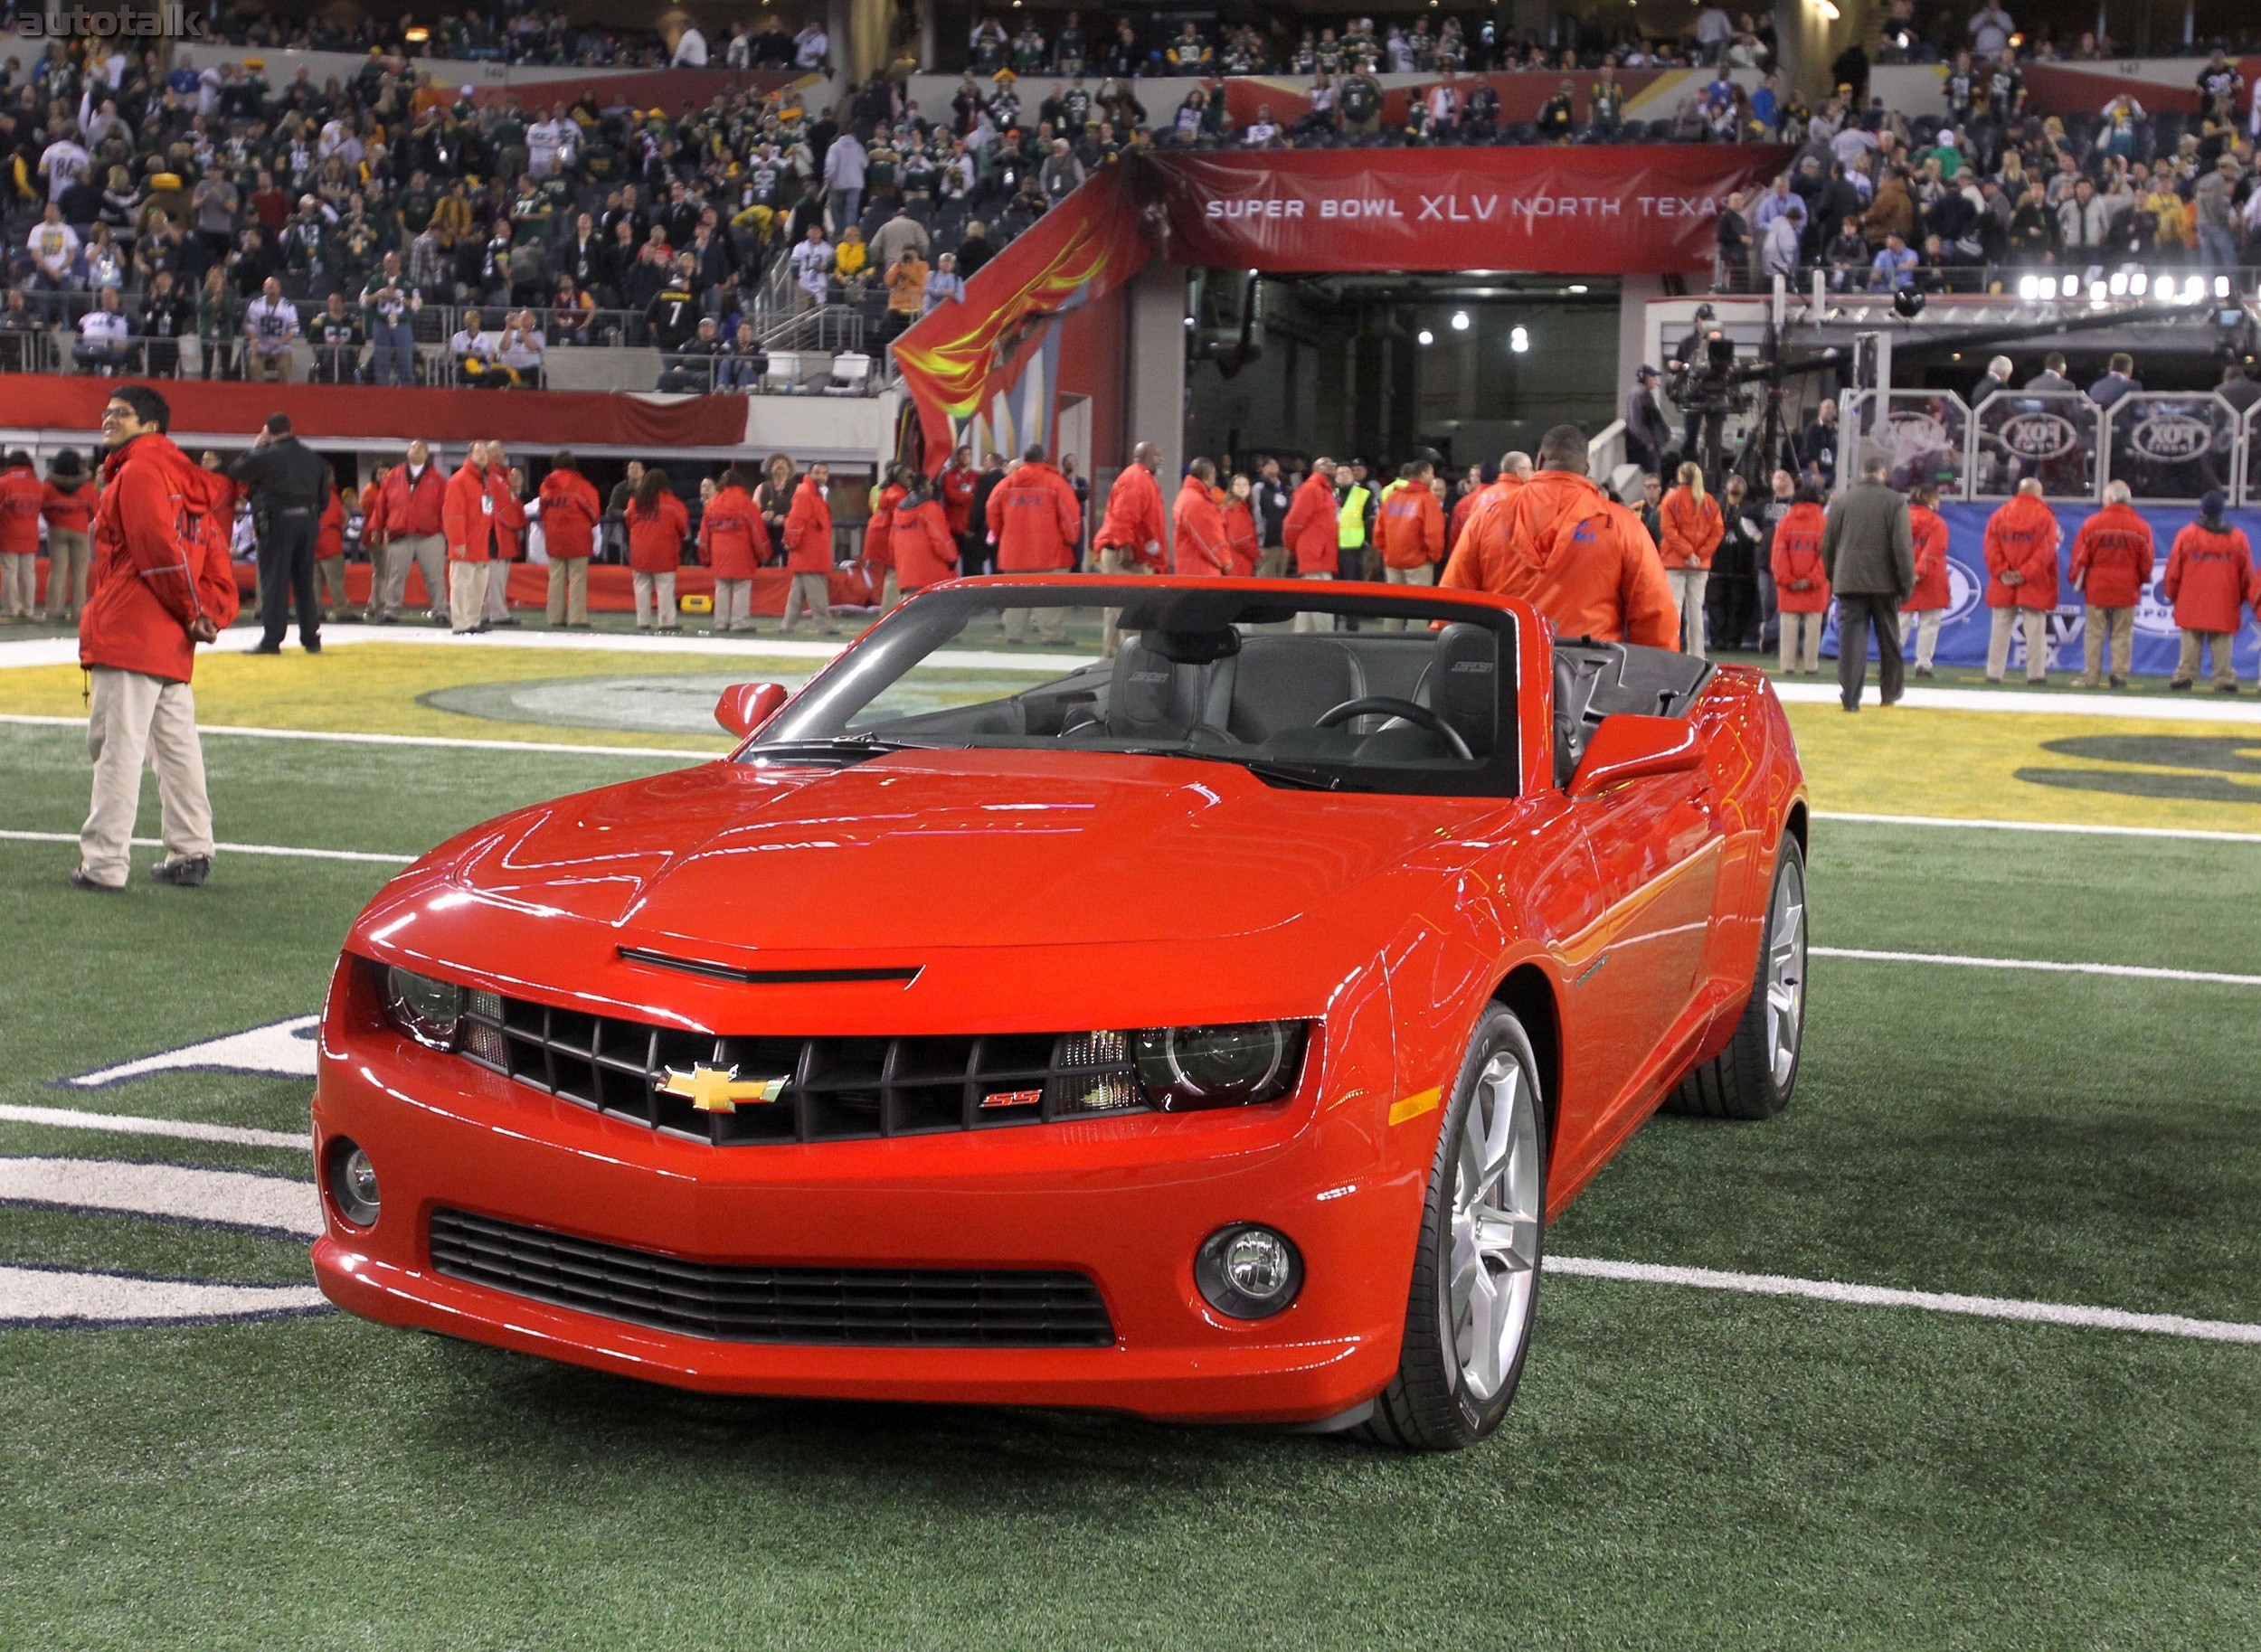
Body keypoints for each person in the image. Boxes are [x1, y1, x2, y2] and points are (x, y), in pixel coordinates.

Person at [73, 383, 237, 892]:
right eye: (106, 411)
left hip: (131, 632)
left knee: (117, 751)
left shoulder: (140, 470)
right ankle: (190, 850)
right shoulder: (189, 485)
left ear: (150, 425)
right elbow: (212, 560)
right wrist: (205, 614)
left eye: (120, 413)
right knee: (175, 751)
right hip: (171, 641)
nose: (108, 418)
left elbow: (157, 553)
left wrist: (191, 610)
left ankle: (103, 865)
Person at [1440, 423, 1678, 648]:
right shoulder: (1623, 525)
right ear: (1585, 469)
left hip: (1505, 672)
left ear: (1539, 460)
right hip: (1590, 676)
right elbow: (1655, 615)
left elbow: (1451, 606)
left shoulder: (1486, 518)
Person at [229, 412, 332, 654]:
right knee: (304, 580)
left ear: (268, 431)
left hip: (276, 523)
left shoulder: (266, 456)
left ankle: (272, 639)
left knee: (275, 581)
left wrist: (256, 448)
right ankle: (311, 637)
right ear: (290, 429)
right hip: (307, 522)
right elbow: (324, 498)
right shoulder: (312, 458)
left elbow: (236, 470)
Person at [1821, 456, 1915, 711]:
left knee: (1851, 641)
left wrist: (1833, 575)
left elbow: (1827, 544)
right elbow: (1902, 547)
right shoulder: (1895, 502)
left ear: (1861, 474)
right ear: (1883, 474)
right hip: (1885, 583)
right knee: (1889, 641)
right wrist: (1906, 582)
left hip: (1848, 581)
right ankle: (1890, 693)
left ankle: (1850, 697)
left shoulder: (1841, 502)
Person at [2162, 490, 2255, 692]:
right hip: (2224, 600)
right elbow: (2247, 574)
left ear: (2202, 510)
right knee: (2222, 643)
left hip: (2191, 599)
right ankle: (2223, 679)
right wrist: (2242, 597)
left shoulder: (2187, 535)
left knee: (2190, 641)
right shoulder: (2238, 538)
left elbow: (2173, 571)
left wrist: (2172, 593)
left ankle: (2184, 676)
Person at [989, 443, 1082, 642]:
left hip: (1013, 553)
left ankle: (1013, 634)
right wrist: (1071, 540)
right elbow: (1070, 516)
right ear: (1044, 459)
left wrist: (1003, 535)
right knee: (1050, 597)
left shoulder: (1007, 483)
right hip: (1049, 552)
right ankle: (1051, 634)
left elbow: (992, 512)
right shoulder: (1055, 483)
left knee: (1016, 596)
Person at [2067, 481, 2154, 689]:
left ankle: (2091, 676)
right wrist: (2138, 581)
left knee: (2094, 633)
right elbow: (2147, 562)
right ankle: (2119, 676)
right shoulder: (2141, 526)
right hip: (2126, 588)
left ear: (2108, 499)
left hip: (2098, 588)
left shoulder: (2093, 523)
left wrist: (2076, 580)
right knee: (2122, 634)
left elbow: (2080, 559)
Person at [440, 440, 524, 635]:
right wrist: (458, 540)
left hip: (482, 541)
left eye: (485, 453)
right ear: (469, 455)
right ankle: (460, 622)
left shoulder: (485, 481)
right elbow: (453, 514)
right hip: (466, 542)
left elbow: (491, 511)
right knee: (462, 584)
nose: (483, 456)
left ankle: (473, 620)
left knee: (478, 585)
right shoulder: (459, 480)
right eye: (478, 452)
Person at [1982, 478, 2060, 684]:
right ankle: (2035, 675)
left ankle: (1993, 673)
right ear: (2038, 493)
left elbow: (1991, 548)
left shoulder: (1999, 515)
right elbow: (2046, 551)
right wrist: (2024, 573)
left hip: (2003, 581)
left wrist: (2003, 572)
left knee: (2000, 628)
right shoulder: (2045, 516)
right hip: (2034, 581)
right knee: (2035, 631)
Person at [1093, 441, 1167, 656]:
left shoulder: (1140, 477)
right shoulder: (1137, 478)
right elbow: (1124, 515)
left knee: (1116, 609)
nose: (1160, 459)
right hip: (1124, 554)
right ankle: (1134, 658)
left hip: (1123, 550)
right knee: (1130, 611)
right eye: (1157, 454)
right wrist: (1125, 546)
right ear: (1145, 456)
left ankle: (1111, 658)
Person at [364, 440, 449, 624]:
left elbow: (446, 509)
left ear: (427, 454)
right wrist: (376, 529)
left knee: (435, 576)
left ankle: (440, 610)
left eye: (420, 448)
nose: (416, 450)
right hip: (399, 533)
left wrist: (447, 534)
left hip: (430, 535)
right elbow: (381, 506)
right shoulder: (393, 477)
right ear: (407, 452)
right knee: (395, 575)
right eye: (412, 447)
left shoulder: (438, 480)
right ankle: (391, 610)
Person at [1658, 462, 1724, 659]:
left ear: (1680, 476)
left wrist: (1687, 553)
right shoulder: (1709, 501)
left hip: (1674, 561)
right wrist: (1700, 554)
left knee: (1674, 610)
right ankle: (1697, 655)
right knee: (1695, 611)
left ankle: (1671, 652)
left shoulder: (1671, 499)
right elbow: (1717, 531)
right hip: (1700, 565)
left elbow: (1668, 530)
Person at [536, 451, 602, 628]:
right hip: (578, 537)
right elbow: (595, 514)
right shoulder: (582, 485)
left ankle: (555, 617)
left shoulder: (546, 485)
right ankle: (577, 618)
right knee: (577, 578)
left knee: (556, 578)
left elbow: (541, 511)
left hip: (554, 537)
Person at [1769, 487, 1831, 675]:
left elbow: (1778, 555)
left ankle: (1787, 664)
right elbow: (1827, 556)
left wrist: (1788, 579)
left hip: (1789, 587)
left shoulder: (1785, 523)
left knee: (1788, 624)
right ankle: (1811, 665)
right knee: (1813, 626)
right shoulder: (1824, 523)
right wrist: (1812, 579)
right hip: (1816, 588)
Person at [700, 465, 768, 630]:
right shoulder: (747, 504)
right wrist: (763, 554)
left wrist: (704, 556)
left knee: (722, 587)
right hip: (741, 552)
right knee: (741, 587)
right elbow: (757, 532)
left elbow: (704, 534)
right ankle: (739, 622)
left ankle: (720, 622)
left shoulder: (711, 504)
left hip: (719, 552)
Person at [1376, 458, 1445, 617]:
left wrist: (1385, 551)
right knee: (1418, 606)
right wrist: (1434, 557)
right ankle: (1415, 639)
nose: (1433, 477)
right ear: (1424, 473)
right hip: (1418, 562)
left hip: (1392, 560)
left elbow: (1379, 529)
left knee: (1393, 606)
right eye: (1431, 473)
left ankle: (1391, 638)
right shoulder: (1428, 500)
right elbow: (1433, 533)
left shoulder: (1393, 496)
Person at [1282, 456, 1342, 633]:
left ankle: (1301, 638)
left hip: (1319, 551)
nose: (1333, 466)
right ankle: (1327, 639)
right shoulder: (1312, 489)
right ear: (1318, 468)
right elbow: (1293, 522)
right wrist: (1292, 546)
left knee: (1309, 604)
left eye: (1333, 463)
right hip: (1317, 552)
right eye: (1327, 464)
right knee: (1322, 600)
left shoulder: (1323, 490)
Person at [626, 467, 690, 632]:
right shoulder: (673, 503)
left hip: (640, 551)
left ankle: (643, 621)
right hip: (664, 552)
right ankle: (667, 622)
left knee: (641, 587)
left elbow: (629, 522)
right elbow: (683, 527)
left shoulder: (635, 502)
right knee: (665, 588)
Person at [779, 461, 838, 634]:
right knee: (817, 591)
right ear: (810, 473)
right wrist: (791, 541)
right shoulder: (806, 493)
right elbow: (795, 521)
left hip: (807, 551)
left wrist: (791, 542)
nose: (821, 476)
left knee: (797, 593)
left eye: (824, 473)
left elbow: (795, 521)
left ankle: (787, 625)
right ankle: (824, 625)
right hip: (810, 551)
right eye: (818, 472)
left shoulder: (812, 493)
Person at [39, 450, 97, 624]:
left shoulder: (48, 486)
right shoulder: (87, 486)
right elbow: (96, 509)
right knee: (79, 574)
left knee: (57, 571)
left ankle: (53, 611)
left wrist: (54, 520)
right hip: (80, 531)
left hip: (56, 530)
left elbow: (43, 507)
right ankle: (78, 612)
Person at [1904, 486, 1952, 677]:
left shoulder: (1901, 519)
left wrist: (1905, 573)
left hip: (1902, 576)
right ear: (1931, 499)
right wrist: (1918, 571)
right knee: (1929, 624)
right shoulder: (1937, 522)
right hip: (1931, 578)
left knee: (1899, 621)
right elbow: (1934, 551)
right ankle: (1923, 665)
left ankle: (1889, 661)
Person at [893, 477, 959, 597]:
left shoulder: (898, 511)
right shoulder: (930, 508)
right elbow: (941, 539)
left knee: (910, 608)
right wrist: (952, 558)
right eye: (929, 484)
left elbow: (892, 541)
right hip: (931, 572)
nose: (932, 487)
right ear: (922, 488)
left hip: (906, 572)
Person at [1171, 458, 1232, 580]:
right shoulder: (1197, 502)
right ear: (1209, 476)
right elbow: (1210, 538)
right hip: (1201, 572)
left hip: (1188, 568)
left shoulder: (1185, 495)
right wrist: (1226, 561)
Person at [863, 465, 909, 609]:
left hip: (880, 536)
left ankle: (889, 609)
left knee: (891, 575)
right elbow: (902, 520)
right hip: (887, 538)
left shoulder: (888, 491)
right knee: (893, 575)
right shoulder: (899, 496)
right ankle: (888, 611)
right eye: (908, 476)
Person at [242, 276, 298, 382]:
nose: (270, 288)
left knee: (284, 367)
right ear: (263, 288)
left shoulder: (288, 307)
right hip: (260, 345)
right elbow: (250, 326)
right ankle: (258, 393)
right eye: (267, 286)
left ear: (279, 288)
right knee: (255, 365)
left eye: (273, 286)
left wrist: (280, 341)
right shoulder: (256, 304)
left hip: (281, 346)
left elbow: (293, 330)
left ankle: (284, 393)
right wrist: (254, 339)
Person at [1622, 366, 1673, 475]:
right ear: (1644, 378)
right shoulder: (1638, 395)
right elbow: (1637, 423)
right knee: (1652, 476)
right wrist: (1648, 441)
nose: (1655, 380)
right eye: (1653, 377)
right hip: (1644, 447)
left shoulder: (1645, 394)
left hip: (1651, 445)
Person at [314, 484, 346, 620]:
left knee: (314, 582)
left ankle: (315, 611)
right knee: (335, 581)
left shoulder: (307, 493)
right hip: (330, 541)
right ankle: (342, 610)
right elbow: (341, 517)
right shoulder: (331, 496)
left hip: (312, 542)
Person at [1221, 473, 1260, 577]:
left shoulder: (1239, 508)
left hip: (1237, 562)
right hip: (1239, 564)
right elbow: (1239, 540)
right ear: (1232, 488)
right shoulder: (1236, 509)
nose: (1242, 488)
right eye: (1238, 485)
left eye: (1245, 484)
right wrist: (1257, 554)